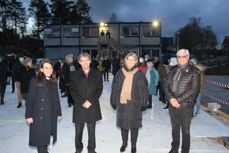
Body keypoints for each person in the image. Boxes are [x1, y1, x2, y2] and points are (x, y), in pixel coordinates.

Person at [110, 52, 148, 153]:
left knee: (134, 126)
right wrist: (113, 100)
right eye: (129, 59)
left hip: (135, 104)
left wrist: (144, 103)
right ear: (125, 60)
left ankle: (133, 144)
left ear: (136, 61)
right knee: (124, 125)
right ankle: (124, 143)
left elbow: (144, 89)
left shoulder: (139, 73)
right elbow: (115, 88)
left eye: (133, 60)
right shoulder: (120, 73)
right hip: (122, 103)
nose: (130, 61)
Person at [164, 49, 200, 153]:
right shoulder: (172, 69)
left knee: (185, 131)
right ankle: (174, 148)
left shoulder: (194, 71)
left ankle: (185, 150)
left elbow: (194, 89)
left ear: (188, 57)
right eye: (179, 57)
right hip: (172, 105)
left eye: (183, 56)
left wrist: (178, 100)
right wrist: (171, 98)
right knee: (175, 129)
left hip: (186, 106)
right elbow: (165, 85)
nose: (181, 59)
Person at [25, 59, 62, 153]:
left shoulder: (53, 81)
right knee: (40, 140)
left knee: (45, 138)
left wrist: (58, 112)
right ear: (41, 69)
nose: (49, 70)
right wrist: (28, 115)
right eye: (46, 68)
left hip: (50, 114)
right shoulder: (35, 80)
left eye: (50, 67)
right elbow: (30, 99)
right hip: (38, 115)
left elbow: (56, 98)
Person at [70, 52, 103, 153]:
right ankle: (78, 148)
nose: (85, 63)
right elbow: (72, 90)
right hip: (79, 106)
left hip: (92, 106)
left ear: (90, 61)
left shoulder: (97, 73)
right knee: (78, 130)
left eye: (87, 60)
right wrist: (81, 102)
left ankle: (91, 149)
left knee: (91, 130)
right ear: (79, 62)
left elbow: (99, 89)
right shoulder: (74, 74)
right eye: (82, 61)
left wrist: (90, 101)